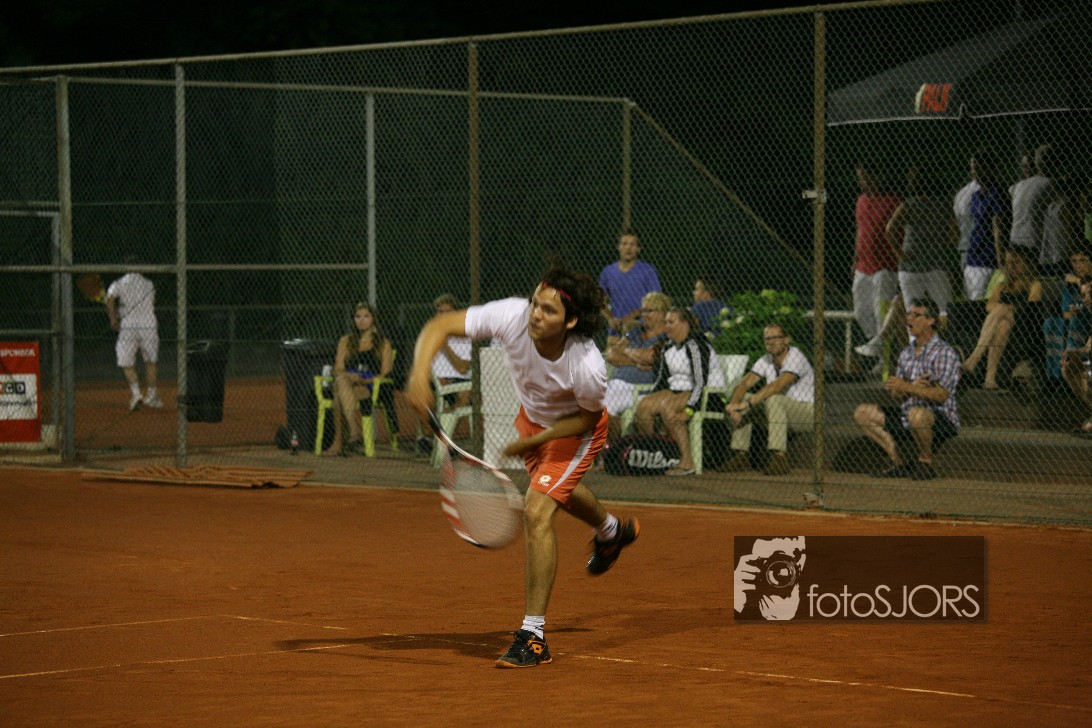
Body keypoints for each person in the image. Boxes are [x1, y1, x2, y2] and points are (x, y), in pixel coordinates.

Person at [405, 257, 639, 669]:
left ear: (570, 321)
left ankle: (533, 638)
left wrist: (539, 441)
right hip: (532, 421)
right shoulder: (511, 316)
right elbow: (440, 326)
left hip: (574, 433)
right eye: (535, 303)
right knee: (557, 492)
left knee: (537, 509)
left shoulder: (587, 365)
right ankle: (610, 531)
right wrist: (419, 375)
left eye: (549, 310)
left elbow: (587, 419)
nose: (535, 314)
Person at [853, 297, 961, 481]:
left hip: (939, 417)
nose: (909, 318)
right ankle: (897, 460)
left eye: (916, 315)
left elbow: (942, 395)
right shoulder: (906, 353)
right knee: (862, 413)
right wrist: (902, 389)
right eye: (909, 314)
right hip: (907, 413)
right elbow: (897, 393)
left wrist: (908, 387)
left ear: (930, 320)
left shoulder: (944, 352)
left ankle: (925, 463)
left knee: (916, 415)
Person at [633, 307, 722, 476]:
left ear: (684, 324)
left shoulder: (696, 345)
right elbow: (662, 381)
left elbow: (700, 382)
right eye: (665, 322)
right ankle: (660, 453)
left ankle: (687, 461)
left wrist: (690, 409)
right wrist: (653, 398)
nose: (666, 326)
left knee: (668, 406)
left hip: (704, 394)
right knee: (643, 406)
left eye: (670, 322)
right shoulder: (667, 347)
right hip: (676, 390)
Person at [719, 323, 815, 477]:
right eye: (768, 339)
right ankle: (741, 456)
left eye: (776, 338)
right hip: (778, 412)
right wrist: (735, 405)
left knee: (773, 398)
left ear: (786, 340)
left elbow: (777, 386)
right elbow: (744, 383)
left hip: (807, 413)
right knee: (747, 396)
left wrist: (747, 404)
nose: (771, 342)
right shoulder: (766, 359)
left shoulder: (796, 357)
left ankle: (779, 458)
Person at [884, 165, 957, 330]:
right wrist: (938, 241)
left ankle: (915, 343)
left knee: (913, 311)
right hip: (936, 263)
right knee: (945, 309)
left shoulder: (908, 205)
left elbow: (889, 229)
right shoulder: (943, 205)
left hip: (911, 264)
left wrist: (900, 253)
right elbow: (954, 235)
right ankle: (945, 339)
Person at [961, 247, 1044, 390]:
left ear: (1026, 264)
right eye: (1008, 263)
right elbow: (989, 306)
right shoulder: (1002, 286)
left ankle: (973, 359)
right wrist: (1005, 309)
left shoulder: (1034, 284)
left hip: (1023, 325)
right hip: (1004, 324)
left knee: (1002, 309)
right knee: (1002, 325)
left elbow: (1031, 307)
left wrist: (1009, 308)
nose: (1011, 266)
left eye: (1016, 262)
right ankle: (990, 380)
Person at [322, 301, 398, 456]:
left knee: (338, 396)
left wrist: (363, 380)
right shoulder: (346, 341)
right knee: (341, 382)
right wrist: (349, 376)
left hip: (369, 385)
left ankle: (339, 442)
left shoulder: (383, 343)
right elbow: (338, 368)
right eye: (357, 317)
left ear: (373, 319)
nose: (361, 320)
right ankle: (354, 431)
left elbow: (385, 373)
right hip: (347, 380)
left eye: (366, 316)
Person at [603, 291, 671, 440]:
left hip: (640, 389)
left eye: (649, 311)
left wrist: (626, 351)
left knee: (602, 408)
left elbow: (651, 356)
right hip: (615, 385)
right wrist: (636, 362)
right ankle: (611, 447)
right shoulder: (636, 330)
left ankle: (613, 447)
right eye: (642, 311)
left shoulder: (667, 336)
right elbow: (611, 354)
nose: (644, 315)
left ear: (663, 313)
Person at [851, 160, 901, 359]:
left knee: (881, 311)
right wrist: (855, 259)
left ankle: (884, 358)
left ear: (877, 177)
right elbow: (860, 230)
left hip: (885, 265)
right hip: (863, 264)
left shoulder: (893, 201)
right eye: (861, 179)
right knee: (861, 310)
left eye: (867, 178)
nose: (864, 182)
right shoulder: (861, 200)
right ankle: (876, 343)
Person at [106, 258, 162, 411]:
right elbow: (150, 302)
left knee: (126, 362)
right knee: (150, 362)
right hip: (148, 324)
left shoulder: (119, 283)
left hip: (128, 325)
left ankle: (136, 394)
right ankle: (151, 396)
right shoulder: (149, 284)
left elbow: (109, 299)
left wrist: (113, 318)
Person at [963, 149, 1009, 301]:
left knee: (983, 301)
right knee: (972, 299)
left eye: (978, 168)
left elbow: (998, 227)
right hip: (973, 255)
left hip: (988, 258)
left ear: (989, 169)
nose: (974, 173)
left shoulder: (997, 193)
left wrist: (1000, 258)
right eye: (973, 169)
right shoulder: (976, 196)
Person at [599, 228, 662, 338]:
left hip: (642, 332)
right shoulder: (608, 272)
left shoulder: (648, 271)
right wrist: (611, 319)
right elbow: (599, 301)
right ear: (618, 247)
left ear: (638, 249)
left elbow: (656, 302)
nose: (628, 248)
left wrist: (628, 319)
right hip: (615, 332)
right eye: (624, 244)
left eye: (632, 244)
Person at [1009, 144, 1055, 265]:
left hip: (1016, 237)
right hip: (1032, 239)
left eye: (1030, 165)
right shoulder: (1047, 183)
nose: (1027, 170)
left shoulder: (1017, 187)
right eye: (1024, 166)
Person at [1061, 276, 1092, 434]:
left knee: (1089, 371)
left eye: (1090, 295)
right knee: (1069, 367)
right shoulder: (1085, 312)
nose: (1086, 299)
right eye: (1084, 295)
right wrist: (1073, 355)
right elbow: (1087, 349)